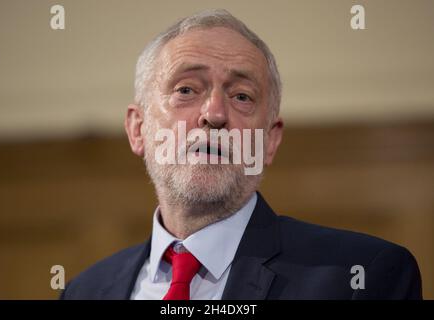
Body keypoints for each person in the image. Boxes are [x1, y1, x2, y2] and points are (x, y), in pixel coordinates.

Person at [60, 9, 422, 300]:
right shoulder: (85, 291)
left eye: (242, 96)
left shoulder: (361, 277)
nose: (215, 114)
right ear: (138, 129)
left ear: (269, 141)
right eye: (186, 89)